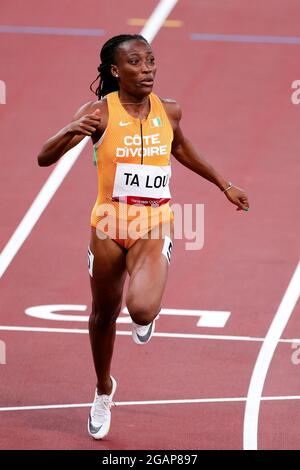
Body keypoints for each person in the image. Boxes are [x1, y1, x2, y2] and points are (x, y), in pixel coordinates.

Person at [37, 34, 249, 440]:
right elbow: (43, 157)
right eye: (136, 62)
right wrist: (70, 129)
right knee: (102, 314)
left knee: (141, 311)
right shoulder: (98, 113)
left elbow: (182, 150)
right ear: (116, 71)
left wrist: (225, 185)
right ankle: (104, 389)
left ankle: (153, 287)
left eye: (151, 60)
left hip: (152, 224)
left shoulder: (169, 111)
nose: (148, 68)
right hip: (108, 227)